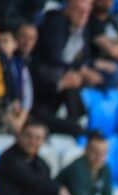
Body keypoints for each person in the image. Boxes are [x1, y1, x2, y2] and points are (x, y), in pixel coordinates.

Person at [30, 0, 96, 136]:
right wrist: (66, 78)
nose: (84, 15)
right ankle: (78, 123)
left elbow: (84, 57)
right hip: (41, 92)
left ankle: (79, 119)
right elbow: (55, 57)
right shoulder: (55, 22)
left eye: (87, 12)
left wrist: (80, 69)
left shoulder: (82, 28)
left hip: (59, 87)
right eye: (80, 11)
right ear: (68, 8)